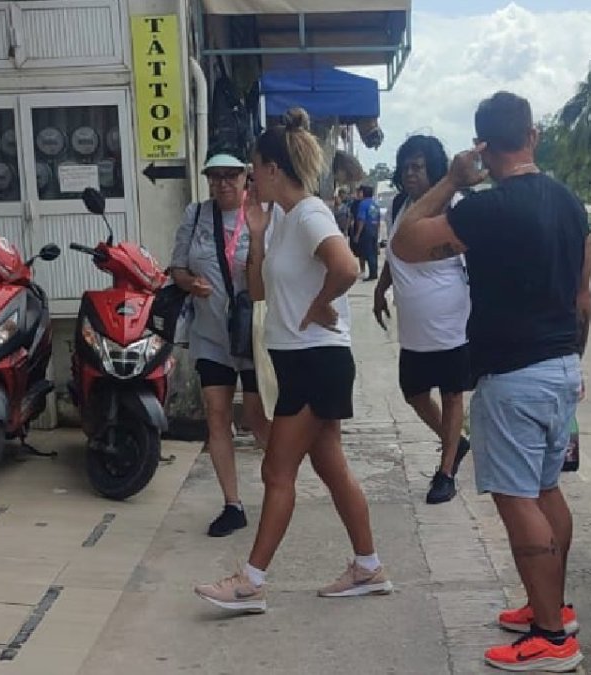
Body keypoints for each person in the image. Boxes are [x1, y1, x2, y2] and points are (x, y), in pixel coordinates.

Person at [391, 92, 591, 673]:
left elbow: (406, 242)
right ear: (531, 135)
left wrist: (453, 179)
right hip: (561, 369)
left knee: (516, 497)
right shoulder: (569, 202)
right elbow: (583, 298)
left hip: (512, 374)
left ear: (483, 144)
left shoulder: (485, 208)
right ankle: (551, 606)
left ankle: (552, 639)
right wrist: (573, 363)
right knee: (547, 488)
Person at [195, 108, 392, 613]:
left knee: (276, 470)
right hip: (296, 360)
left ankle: (251, 581)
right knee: (331, 467)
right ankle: (368, 566)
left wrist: (324, 301)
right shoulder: (280, 220)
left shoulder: (310, 214)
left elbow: (346, 266)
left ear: (272, 169)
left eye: (252, 168)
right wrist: (258, 236)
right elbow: (258, 292)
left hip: (315, 361)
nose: (247, 177)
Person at [169, 152, 272, 538]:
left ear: (247, 177)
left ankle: (279, 488)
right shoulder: (195, 215)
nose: (223, 184)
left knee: (260, 417)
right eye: (215, 177)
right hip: (210, 333)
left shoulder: (261, 215)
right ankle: (233, 503)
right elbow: (177, 267)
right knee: (216, 413)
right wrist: (188, 282)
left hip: (252, 333)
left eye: (231, 176)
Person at [372, 135, 471, 504]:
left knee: (451, 394)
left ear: (435, 168)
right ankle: (455, 442)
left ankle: (446, 472)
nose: (409, 174)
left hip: (451, 323)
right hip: (413, 328)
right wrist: (381, 288)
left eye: (417, 166)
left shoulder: (456, 207)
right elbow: (395, 253)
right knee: (413, 391)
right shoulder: (400, 204)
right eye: (405, 167)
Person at [353, 185, 381, 280]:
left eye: (360, 192)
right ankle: (374, 272)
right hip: (374, 229)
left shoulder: (363, 204)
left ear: (363, 193)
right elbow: (378, 220)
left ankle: (372, 274)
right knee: (373, 252)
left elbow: (361, 220)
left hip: (366, 230)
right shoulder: (375, 204)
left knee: (368, 252)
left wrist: (357, 234)